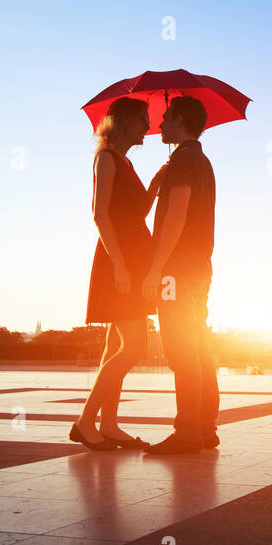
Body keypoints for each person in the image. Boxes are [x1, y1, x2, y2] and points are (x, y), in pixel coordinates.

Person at [73, 97, 160, 451]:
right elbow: (99, 214)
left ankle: (108, 424)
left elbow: (136, 210)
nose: (147, 126)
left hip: (131, 259)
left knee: (115, 346)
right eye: (141, 119)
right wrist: (121, 265)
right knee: (135, 345)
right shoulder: (106, 158)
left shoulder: (123, 161)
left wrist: (155, 182)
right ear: (122, 122)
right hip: (118, 261)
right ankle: (84, 421)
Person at [141, 96, 219, 454]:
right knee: (198, 344)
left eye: (166, 117)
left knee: (180, 346)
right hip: (198, 268)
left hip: (176, 270)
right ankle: (203, 427)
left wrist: (155, 269)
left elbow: (175, 217)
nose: (159, 124)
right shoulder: (200, 160)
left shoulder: (183, 160)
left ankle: (187, 431)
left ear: (180, 119)